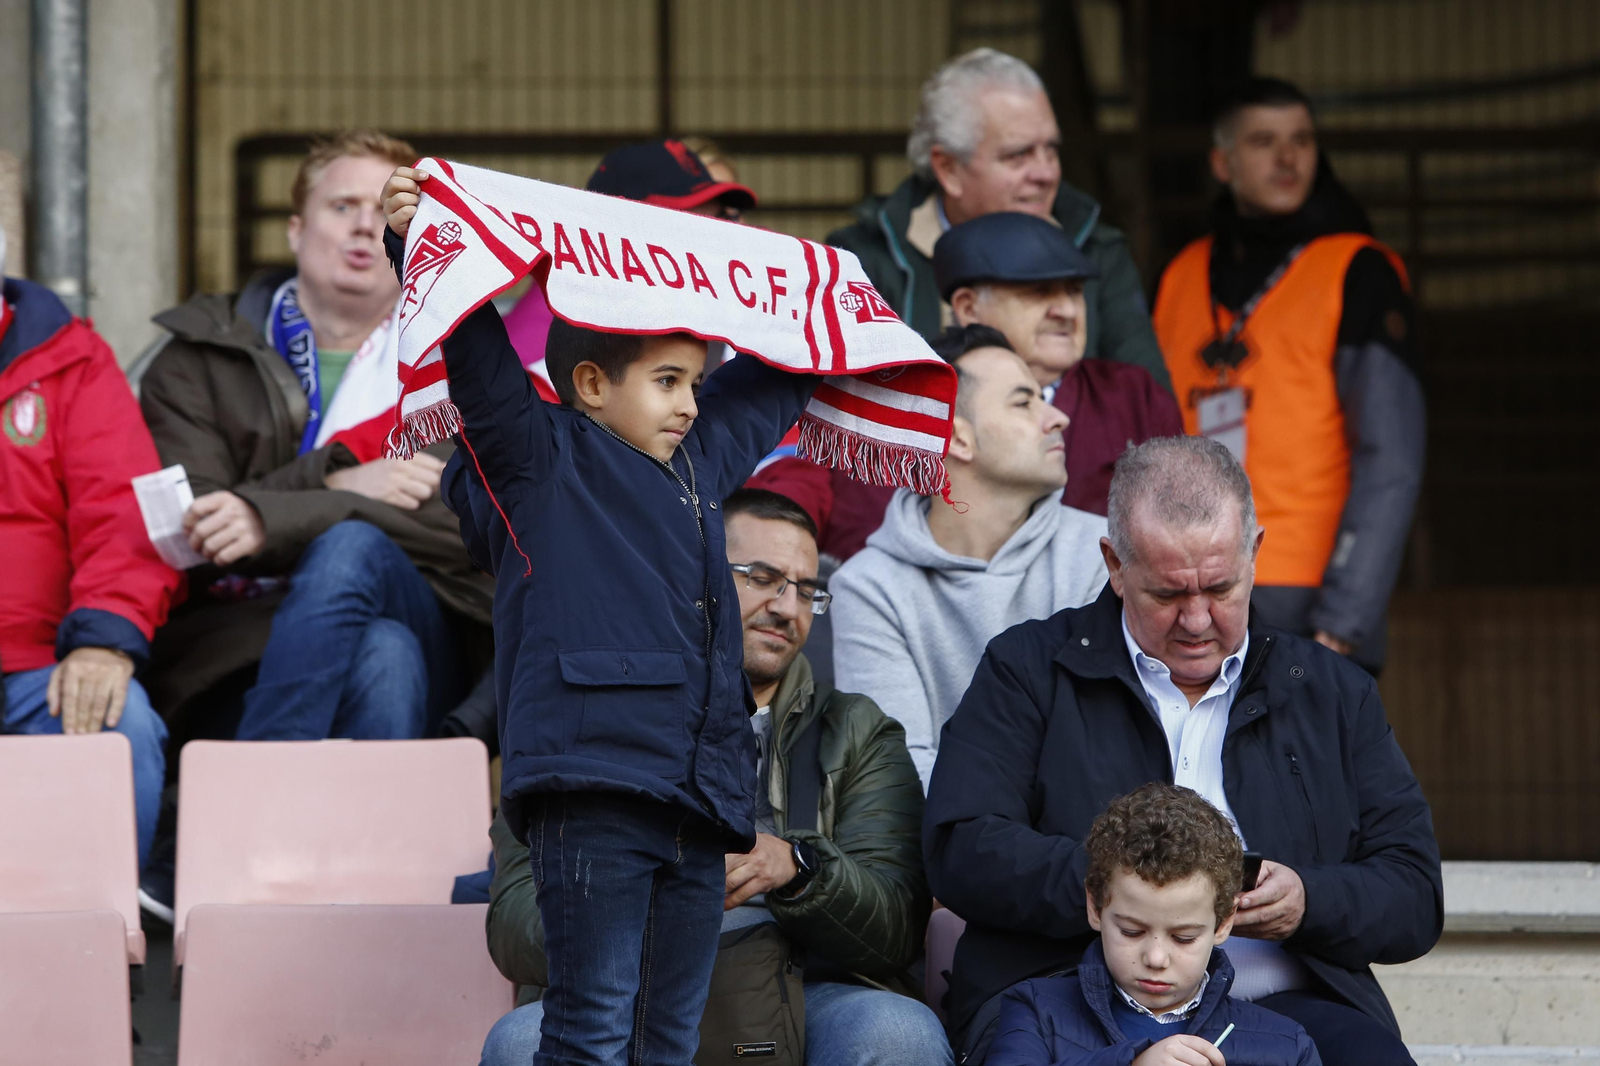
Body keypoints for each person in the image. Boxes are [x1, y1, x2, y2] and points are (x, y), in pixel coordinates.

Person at [381, 166, 816, 1066]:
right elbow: (472, 346)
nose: (691, 403)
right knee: (588, 1034)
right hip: (594, 800)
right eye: (667, 381)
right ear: (587, 383)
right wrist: (416, 238)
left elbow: (784, 365)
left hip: (702, 803)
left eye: (696, 382)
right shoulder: (536, 459)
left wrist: (816, 289)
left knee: (666, 1042)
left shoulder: (695, 458)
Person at [924, 436, 1442, 1066]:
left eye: (1220, 589)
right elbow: (959, 846)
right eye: (1168, 595)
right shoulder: (1029, 670)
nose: (1196, 620)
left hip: (1284, 1010)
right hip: (1064, 1002)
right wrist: (1119, 889)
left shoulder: (1332, 692)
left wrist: (1310, 899)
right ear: (1114, 565)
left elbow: (1414, 893)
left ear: (1255, 555)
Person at [477, 488, 949, 1066]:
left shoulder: (857, 729)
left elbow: (897, 926)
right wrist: (649, 886)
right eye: (762, 576)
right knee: (521, 1045)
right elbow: (515, 927)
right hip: (622, 995)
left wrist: (796, 869)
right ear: (690, 571)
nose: (787, 607)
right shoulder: (574, 716)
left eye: (806, 590)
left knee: (897, 1034)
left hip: (809, 987)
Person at [139, 129, 492, 759]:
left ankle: (257, 800)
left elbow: (471, 527)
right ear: (297, 230)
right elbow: (194, 525)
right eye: (341, 207)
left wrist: (285, 513)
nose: (364, 227)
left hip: (428, 613)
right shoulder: (194, 361)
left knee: (352, 547)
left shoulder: (459, 364)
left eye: (383, 210)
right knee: (384, 656)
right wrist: (342, 484)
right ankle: (377, 857)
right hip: (233, 645)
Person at [1152, 78, 1425, 674]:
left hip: (1306, 595)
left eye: (1302, 139)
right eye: (1264, 141)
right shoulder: (1179, 274)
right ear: (1222, 163)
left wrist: (1343, 622)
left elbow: (1392, 458)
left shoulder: (1357, 270)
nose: (1287, 157)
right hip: (1183, 593)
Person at [831, 324, 1109, 788]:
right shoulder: (868, 587)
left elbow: (1106, 755)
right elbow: (895, 777)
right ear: (956, 438)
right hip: (944, 854)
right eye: (1024, 402)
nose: (1057, 416)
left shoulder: (1106, 553)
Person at [828, 48, 1168, 388]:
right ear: (948, 169)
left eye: (1051, 149)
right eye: (1018, 154)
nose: (1047, 173)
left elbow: (1149, 404)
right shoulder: (861, 261)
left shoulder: (1098, 250)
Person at [0, 250, 182, 883]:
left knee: (121, 720)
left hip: (40, 665)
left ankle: (103, 948)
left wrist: (105, 641)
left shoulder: (71, 359)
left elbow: (122, 512)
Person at [987, 784, 1320, 1066]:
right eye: (1132, 931)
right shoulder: (1035, 1010)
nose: (1156, 958)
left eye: (1184, 937)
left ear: (1224, 922)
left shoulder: (1287, 1046)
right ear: (1095, 906)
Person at [938, 212, 1184, 516]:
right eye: (1039, 291)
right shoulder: (920, 404)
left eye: (1075, 291)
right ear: (969, 307)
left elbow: (1179, 523)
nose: (1068, 310)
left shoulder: (1133, 394)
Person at [504, 139, 758, 374]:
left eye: (724, 217)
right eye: (681, 225)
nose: (720, 237)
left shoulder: (730, 327)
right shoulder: (550, 339)